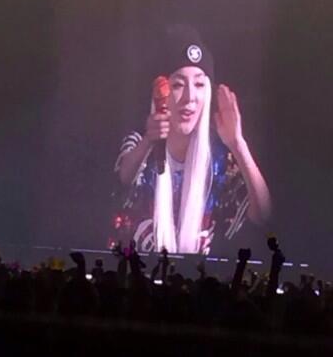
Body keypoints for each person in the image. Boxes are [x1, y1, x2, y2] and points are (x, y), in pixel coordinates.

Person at [113, 33, 271, 255]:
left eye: (199, 84)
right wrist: (150, 140)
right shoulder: (140, 145)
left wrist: (238, 144)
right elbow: (123, 178)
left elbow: (262, 214)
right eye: (178, 84)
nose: (190, 97)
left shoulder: (219, 160)